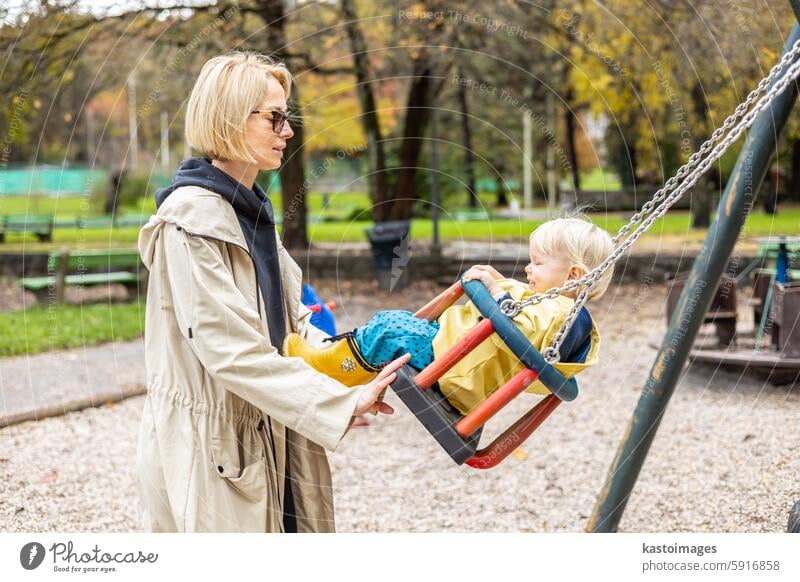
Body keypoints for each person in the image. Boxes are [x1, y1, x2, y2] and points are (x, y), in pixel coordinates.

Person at [136, 52, 408, 533]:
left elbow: (292, 322)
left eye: (288, 118)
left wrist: (357, 358)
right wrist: (339, 404)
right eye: (274, 118)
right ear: (228, 119)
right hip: (215, 445)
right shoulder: (190, 222)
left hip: (270, 424)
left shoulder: (250, 212)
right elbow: (231, 349)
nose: (288, 131)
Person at [284, 217, 614, 414]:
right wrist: (497, 282)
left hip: (456, 367)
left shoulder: (559, 312)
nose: (529, 268)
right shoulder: (550, 302)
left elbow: (521, 335)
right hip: (453, 353)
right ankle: (337, 361)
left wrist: (497, 292)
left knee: (388, 329)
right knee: (393, 323)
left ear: (573, 275)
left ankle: (327, 370)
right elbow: (522, 306)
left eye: (538, 263)